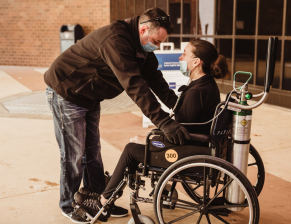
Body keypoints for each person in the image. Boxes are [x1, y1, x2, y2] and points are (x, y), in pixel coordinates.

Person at [45, 7, 191, 224]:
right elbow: (135, 86)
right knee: (73, 154)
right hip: (67, 91)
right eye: (156, 41)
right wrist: (163, 122)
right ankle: (68, 204)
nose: (156, 46)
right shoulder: (116, 39)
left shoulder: (142, 49)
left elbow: (155, 80)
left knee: (92, 152)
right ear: (143, 30)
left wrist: (179, 108)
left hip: (90, 96)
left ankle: (100, 201)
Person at [74, 38, 229, 220]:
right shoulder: (205, 85)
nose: (180, 57)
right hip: (199, 145)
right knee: (138, 145)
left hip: (190, 149)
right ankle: (108, 193)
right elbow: (184, 125)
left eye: (185, 53)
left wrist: (153, 140)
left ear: (196, 62)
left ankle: (102, 202)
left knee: (131, 150)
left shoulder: (197, 92)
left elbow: (181, 131)